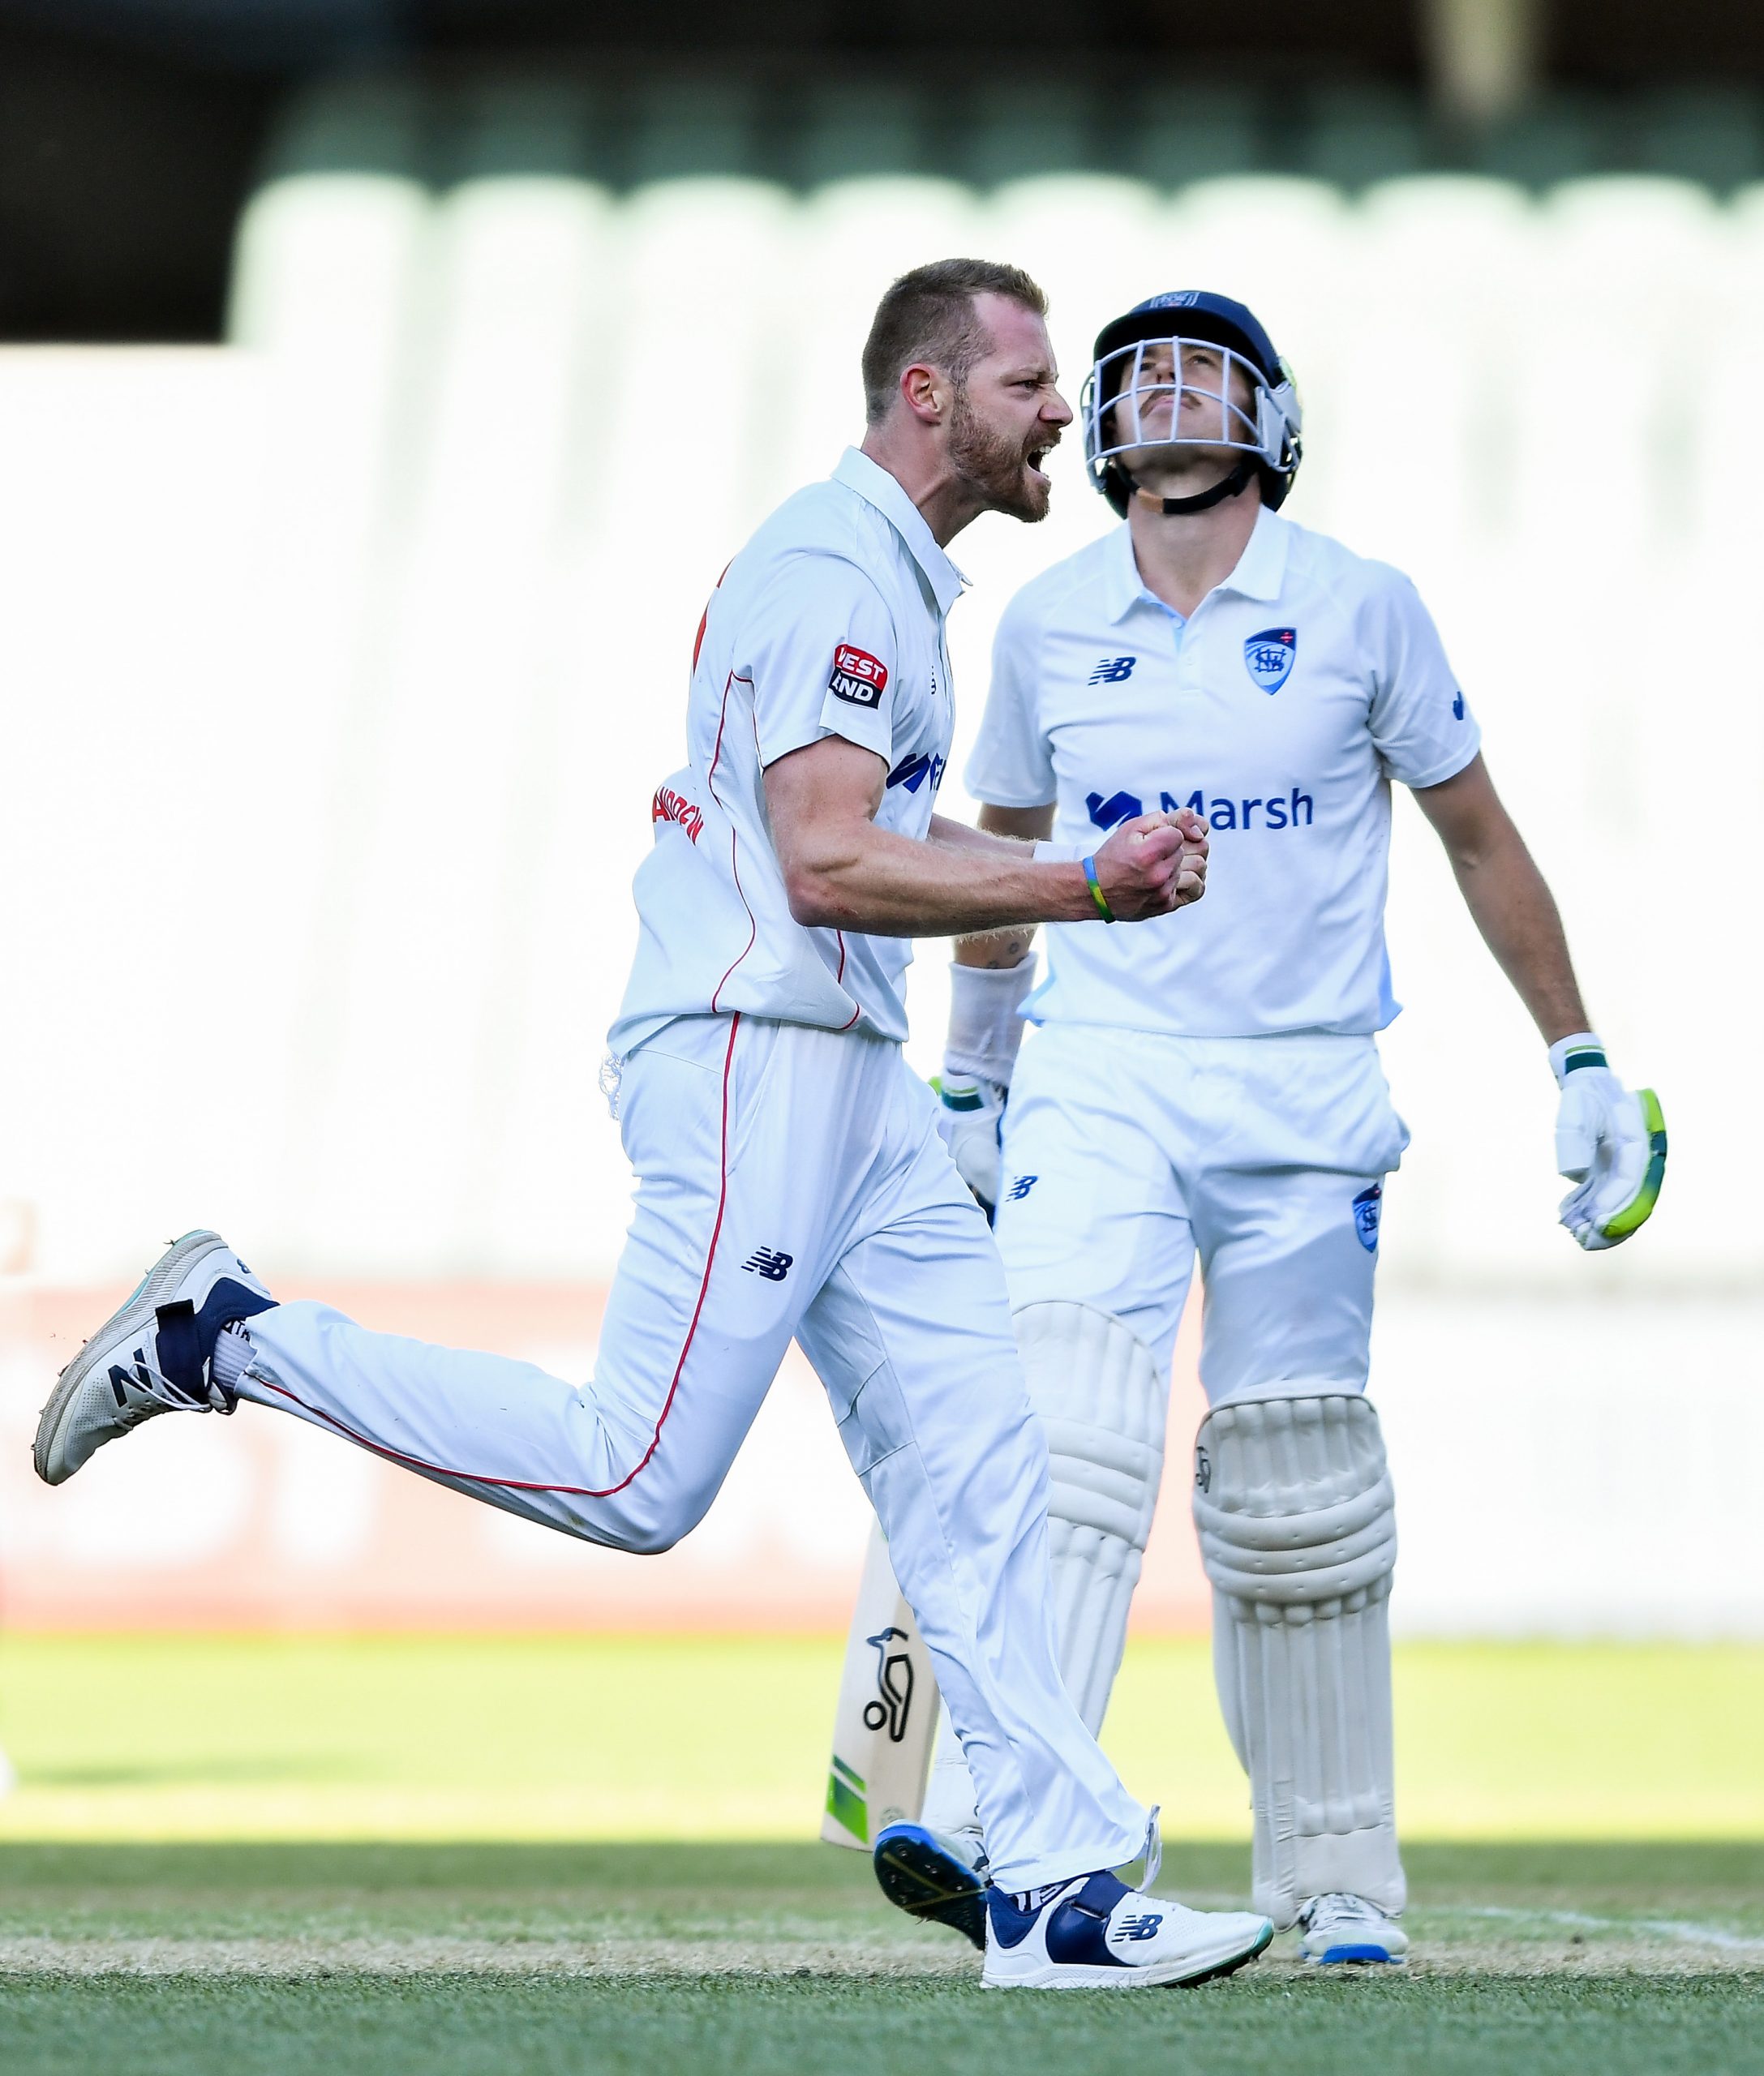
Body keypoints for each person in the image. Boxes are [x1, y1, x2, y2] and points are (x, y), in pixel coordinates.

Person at [33, 260, 1276, 1992]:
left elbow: (856, 863)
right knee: (635, 1473)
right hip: (751, 1054)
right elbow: (830, 856)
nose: (1059, 410)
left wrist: (984, 1037)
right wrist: (1080, 880)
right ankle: (224, 1334)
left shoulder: (898, 583)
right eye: (1026, 383)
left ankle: (1054, 1889)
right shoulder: (832, 568)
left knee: (983, 1467)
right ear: (925, 395)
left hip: (847, 1075)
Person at [900, 290, 1667, 1964]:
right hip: (1098, 1073)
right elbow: (1006, 857)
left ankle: (1331, 1880)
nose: (1165, 382)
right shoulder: (1044, 618)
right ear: (1098, 423)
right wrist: (972, 1076)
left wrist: (1580, 1057)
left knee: (1297, 1483)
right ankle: (1003, 1825)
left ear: (1266, 415)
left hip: (1303, 1086)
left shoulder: (1359, 607)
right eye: (1136, 365)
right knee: (1056, 1431)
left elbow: (1475, 836)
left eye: (1202, 364)